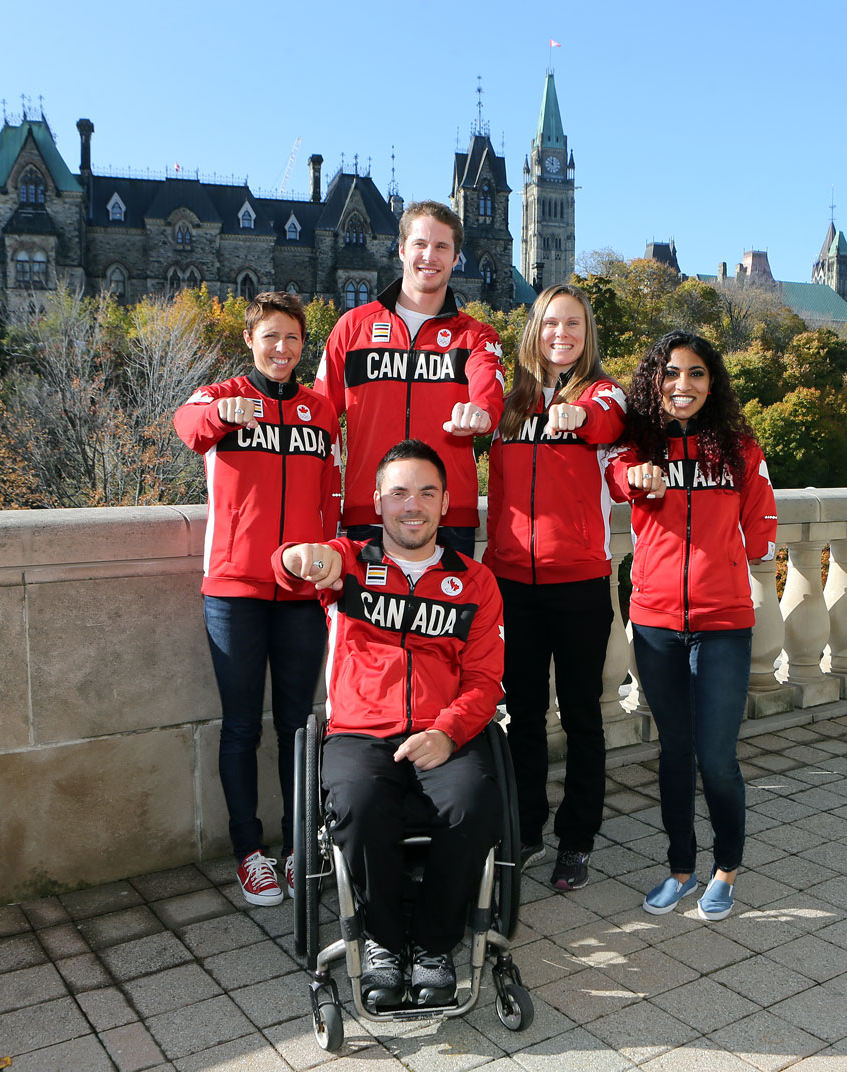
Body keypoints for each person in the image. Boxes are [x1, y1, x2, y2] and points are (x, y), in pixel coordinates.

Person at [274, 439, 504, 1010]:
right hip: (359, 731)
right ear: (376, 501)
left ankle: (432, 945)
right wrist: (300, 559)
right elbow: (297, 567)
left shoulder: (475, 582)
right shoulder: (350, 561)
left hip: (442, 730)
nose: (412, 505)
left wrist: (447, 732)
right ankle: (382, 941)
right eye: (399, 492)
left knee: (474, 804)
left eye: (427, 492)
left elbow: (485, 681)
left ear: (446, 502)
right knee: (358, 803)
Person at [174, 290, 341, 908]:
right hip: (235, 591)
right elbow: (187, 428)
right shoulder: (219, 398)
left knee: (300, 726)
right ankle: (249, 852)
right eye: (271, 336)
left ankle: (299, 846)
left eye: (294, 339)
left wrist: (330, 566)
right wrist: (226, 416)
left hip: (301, 595)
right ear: (251, 340)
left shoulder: (320, 411)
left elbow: (331, 496)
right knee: (242, 725)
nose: (283, 348)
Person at [605, 330, 777, 921]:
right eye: (672, 373)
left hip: (724, 620)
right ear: (656, 380)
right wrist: (637, 480)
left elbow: (760, 518)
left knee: (717, 755)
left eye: (697, 373)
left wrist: (755, 550)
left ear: (713, 382)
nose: (684, 385)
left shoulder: (737, 445)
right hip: (654, 621)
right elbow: (617, 480)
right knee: (675, 753)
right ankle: (681, 868)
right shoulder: (637, 446)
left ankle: (726, 868)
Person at [483, 284, 627, 891]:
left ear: (586, 333)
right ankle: (528, 825)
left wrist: (580, 416)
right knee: (522, 713)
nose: (561, 334)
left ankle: (578, 838)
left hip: (579, 585)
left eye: (572, 324)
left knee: (581, 715)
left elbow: (612, 421)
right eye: (550, 323)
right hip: (512, 583)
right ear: (534, 330)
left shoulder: (601, 392)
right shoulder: (508, 402)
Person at [315, 201, 505, 556]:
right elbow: (318, 419)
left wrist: (480, 410)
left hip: (449, 520)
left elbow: (488, 389)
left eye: (441, 247)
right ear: (402, 249)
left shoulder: (477, 335)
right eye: (420, 244)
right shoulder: (352, 328)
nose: (429, 256)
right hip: (368, 512)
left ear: (455, 257)